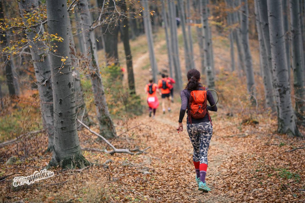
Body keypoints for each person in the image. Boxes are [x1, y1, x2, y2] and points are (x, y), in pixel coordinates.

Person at [177, 69, 217, 192]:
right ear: (199, 79)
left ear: (188, 78)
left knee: (196, 151)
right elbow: (214, 108)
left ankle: (198, 177)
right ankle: (203, 182)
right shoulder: (206, 90)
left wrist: (180, 122)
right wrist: (204, 108)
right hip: (206, 125)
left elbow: (183, 107)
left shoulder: (185, 92)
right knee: (204, 152)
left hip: (192, 125)